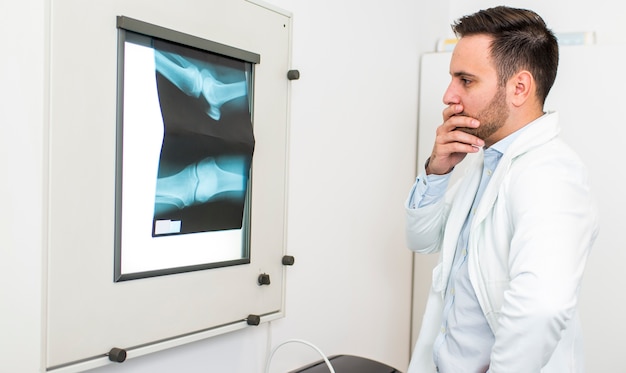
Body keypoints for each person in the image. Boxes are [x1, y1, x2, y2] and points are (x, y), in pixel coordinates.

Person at [405, 6, 598, 373]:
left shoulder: (551, 172)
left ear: (519, 88)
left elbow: (542, 307)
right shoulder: (484, 163)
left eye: (465, 80)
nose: (448, 95)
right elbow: (421, 240)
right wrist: (436, 172)